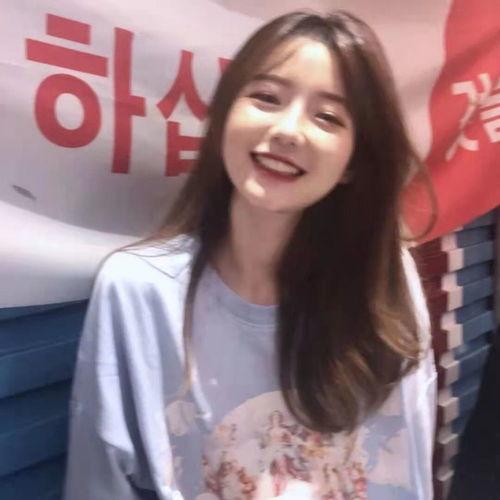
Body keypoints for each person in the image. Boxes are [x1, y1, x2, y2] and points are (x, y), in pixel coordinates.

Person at [64, 10, 437, 500]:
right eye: (266, 98)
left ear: (353, 163)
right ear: (223, 117)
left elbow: (408, 470)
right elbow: (100, 482)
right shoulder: (139, 289)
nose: (289, 130)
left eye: (328, 117)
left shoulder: (384, 280)